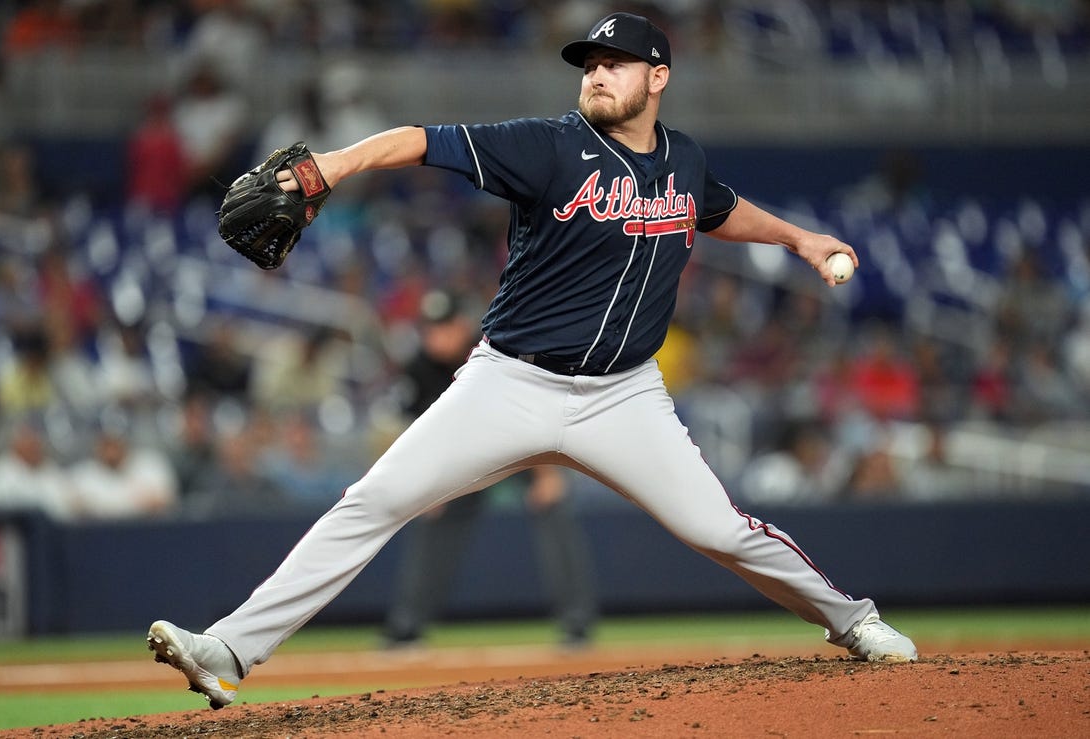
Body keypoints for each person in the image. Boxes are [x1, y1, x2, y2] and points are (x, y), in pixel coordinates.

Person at [147, 12, 917, 711]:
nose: (597, 73)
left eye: (616, 62)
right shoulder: (548, 146)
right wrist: (332, 167)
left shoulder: (683, 159)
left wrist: (801, 240)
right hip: (510, 381)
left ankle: (853, 621)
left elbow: (716, 207)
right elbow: (421, 138)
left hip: (625, 397)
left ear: (659, 78)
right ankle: (231, 648)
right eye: (589, 63)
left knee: (721, 529)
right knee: (374, 499)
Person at [381, 290, 597, 648]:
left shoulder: (493, 350)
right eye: (430, 329)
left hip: (521, 445)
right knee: (431, 521)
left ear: (462, 325)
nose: (437, 336)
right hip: (464, 455)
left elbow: (536, 410)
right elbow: (416, 431)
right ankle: (407, 625)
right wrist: (424, 484)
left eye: (444, 327)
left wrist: (546, 473)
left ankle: (577, 623)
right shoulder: (420, 367)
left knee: (555, 507)